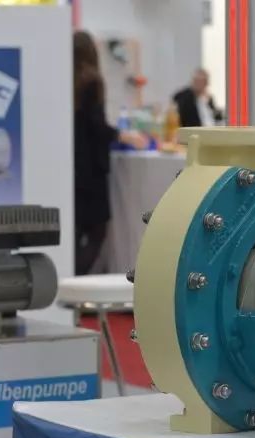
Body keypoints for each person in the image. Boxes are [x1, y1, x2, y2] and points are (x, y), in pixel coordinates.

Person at [73, 30, 145, 275]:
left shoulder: (66, 82)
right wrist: (122, 136)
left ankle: (69, 277)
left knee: (77, 230)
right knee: (97, 231)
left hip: (73, 166)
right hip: (92, 168)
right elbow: (97, 126)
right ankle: (77, 278)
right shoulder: (92, 82)